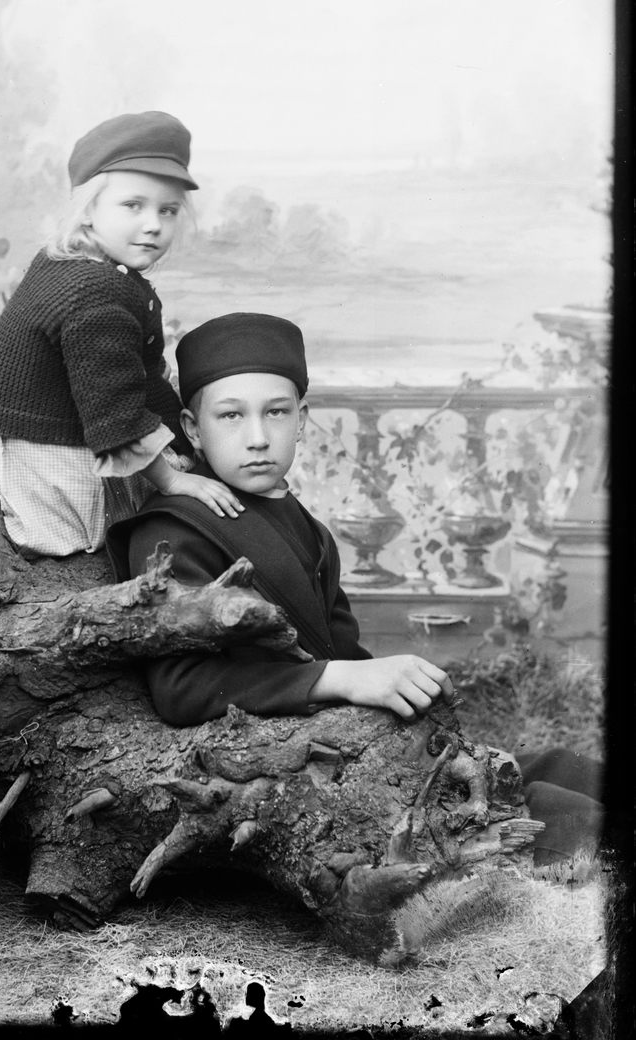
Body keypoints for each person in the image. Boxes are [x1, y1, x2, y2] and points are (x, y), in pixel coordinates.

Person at [106, 312, 604, 865]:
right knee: (555, 812)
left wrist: (390, 691)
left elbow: (340, 647)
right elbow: (179, 689)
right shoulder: (173, 530)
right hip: (290, 774)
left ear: (301, 419)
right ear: (193, 428)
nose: (257, 438)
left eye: (276, 412)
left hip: (349, 740)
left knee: (558, 766)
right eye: (230, 415)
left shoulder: (304, 525)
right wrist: (343, 677)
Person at [0, 112, 243, 558]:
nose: (153, 224)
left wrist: (185, 444)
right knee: (120, 538)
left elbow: (137, 376)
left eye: (168, 210)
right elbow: (115, 412)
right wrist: (174, 479)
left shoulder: (77, 263)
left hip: (45, 436)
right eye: (133, 205)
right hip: (48, 456)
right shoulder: (93, 291)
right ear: (87, 210)